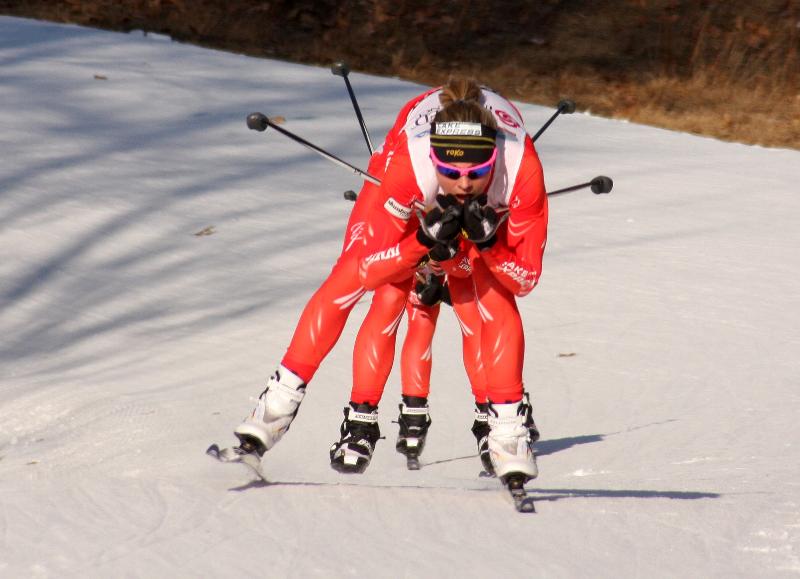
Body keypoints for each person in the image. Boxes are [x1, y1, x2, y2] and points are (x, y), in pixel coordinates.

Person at [237, 78, 547, 483]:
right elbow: (367, 270)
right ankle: (274, 409)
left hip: (495, 192)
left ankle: (507, 432)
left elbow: (524, 280)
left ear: (495, 159)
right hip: (404, 167)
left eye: (478, 171)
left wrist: (489, 246)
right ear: (435, 160)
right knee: (367, 284)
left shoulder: (521, 167)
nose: (466, 183)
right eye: (452, 171)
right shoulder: (410, 165)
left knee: (489, 293)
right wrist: (420, 240)